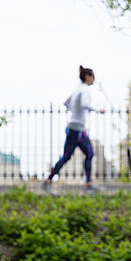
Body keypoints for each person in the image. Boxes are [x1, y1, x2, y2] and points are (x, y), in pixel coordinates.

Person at [43, 65, 105, 195]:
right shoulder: (84, 90)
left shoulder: (77, 90)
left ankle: (88, 183)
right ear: (87, 77)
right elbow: (84, 104)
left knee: (88, 154)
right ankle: (48, 181)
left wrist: (75, 112)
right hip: (75, 129)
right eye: (93, 77)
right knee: (69, 156)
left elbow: (67, 103)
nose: (94, 80)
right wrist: (98, 110)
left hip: (76, 129)